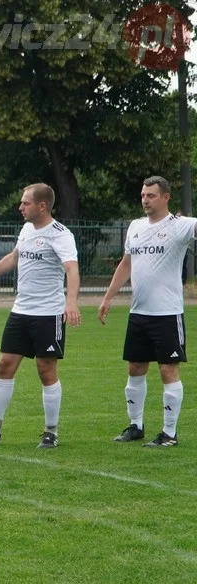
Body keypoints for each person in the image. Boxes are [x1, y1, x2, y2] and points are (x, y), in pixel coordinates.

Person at [0, 183, 81, 448]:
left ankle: (51, 432)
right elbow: (13, 258)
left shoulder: (61, 234)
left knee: (45, 369)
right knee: (4, 365)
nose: (20, 207)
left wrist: (70, 303)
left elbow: (71, 269)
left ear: (42, 205)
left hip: (48, 314)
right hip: (20, 311)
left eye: (25, 203)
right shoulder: (27, 229)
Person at [98, 176, 194, 447]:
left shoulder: (180, 226)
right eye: (143, 195)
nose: (145, 200)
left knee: (167, 370)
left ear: (165, 197)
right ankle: (135, 425)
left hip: (167, 313)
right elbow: (126, 264)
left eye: (151, 195)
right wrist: (108, 297)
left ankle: (169, 433)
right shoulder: (136, 227)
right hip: (139, 313)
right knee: (135, 367)